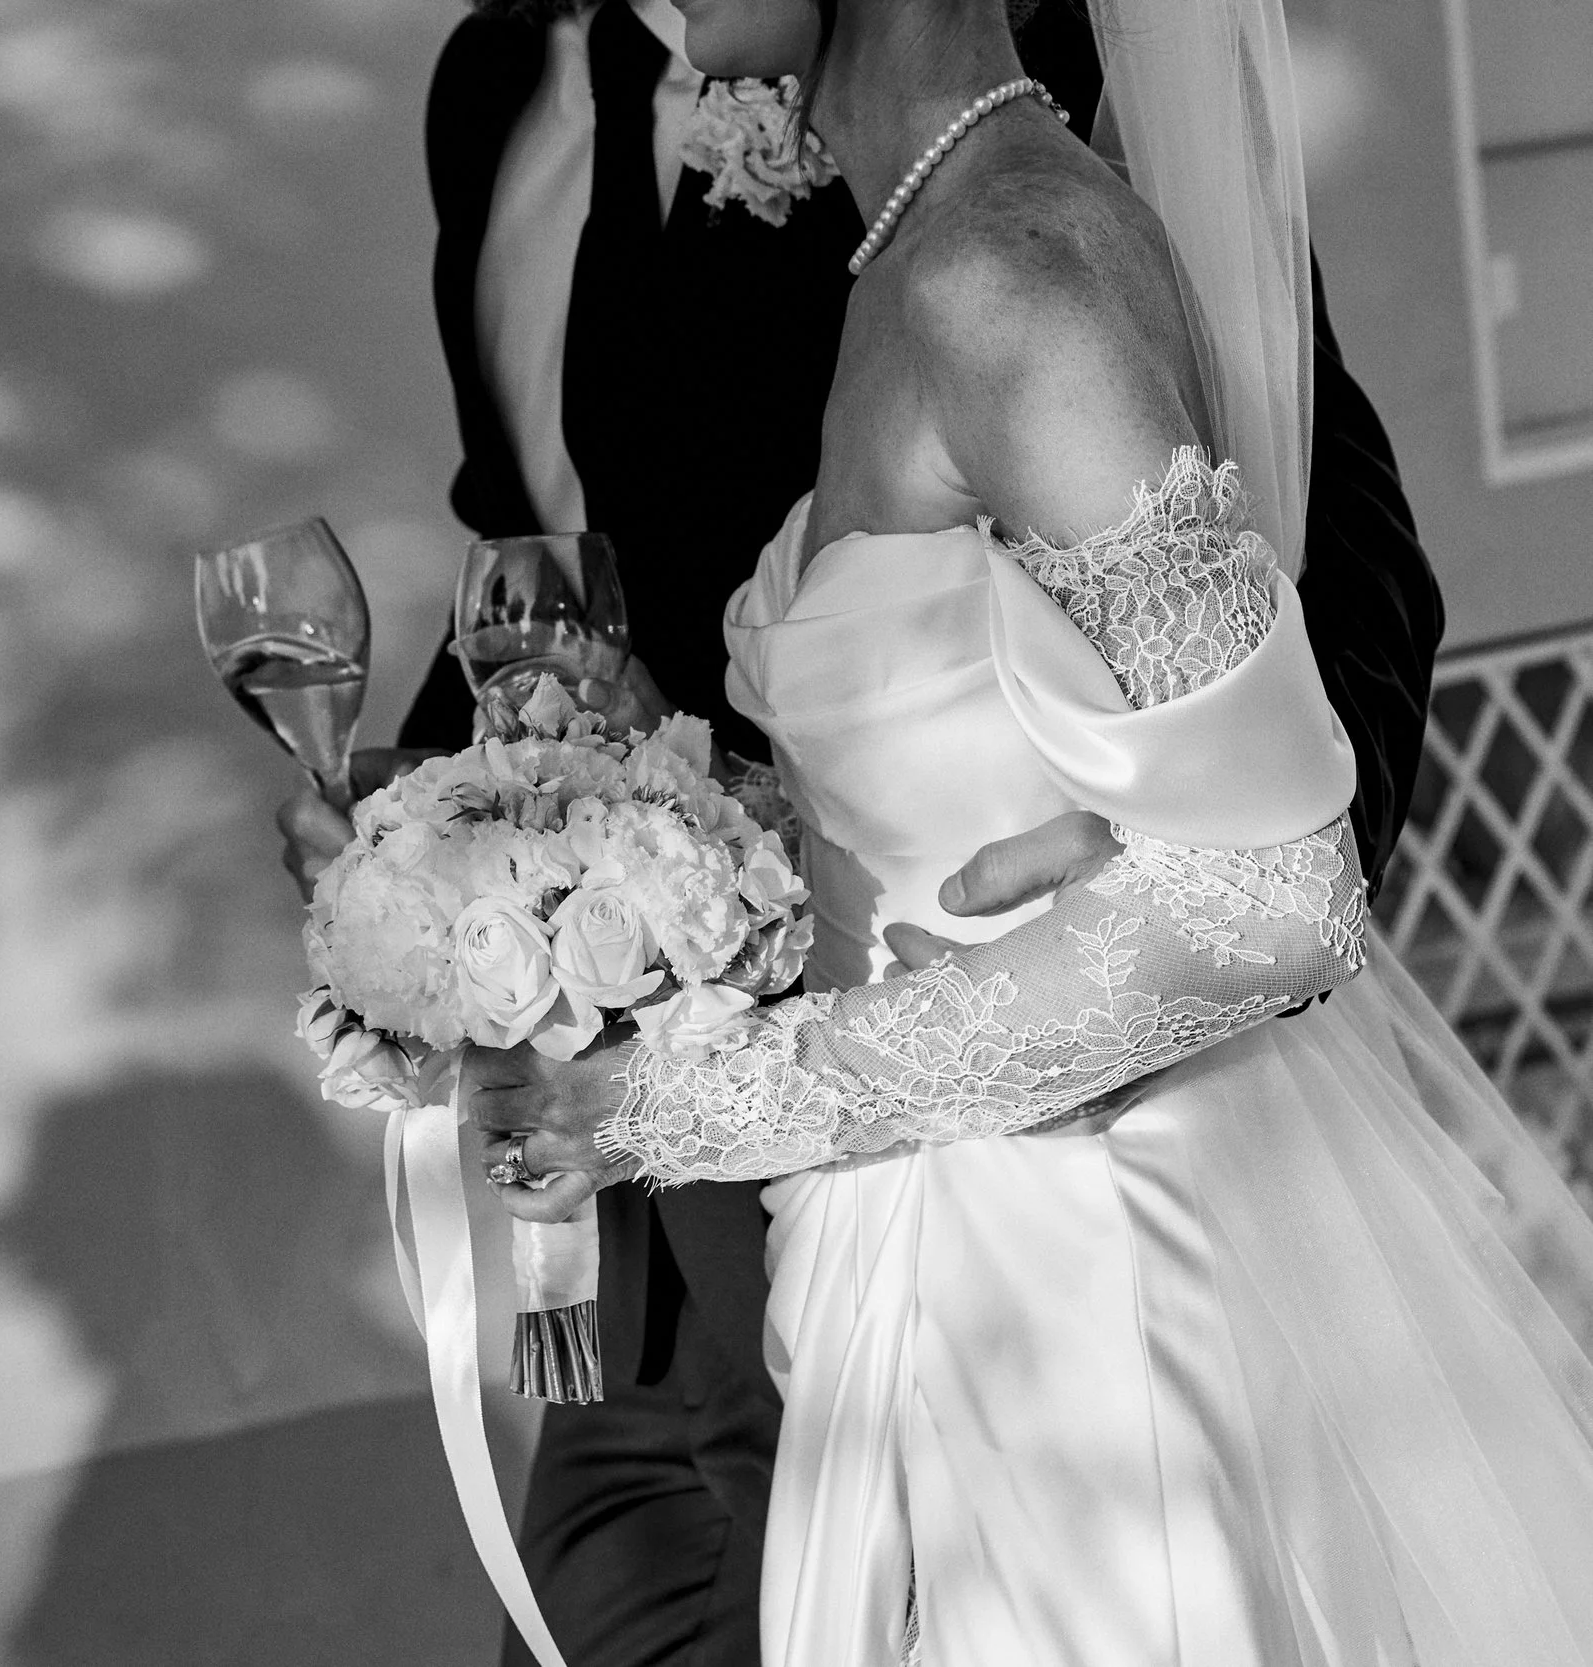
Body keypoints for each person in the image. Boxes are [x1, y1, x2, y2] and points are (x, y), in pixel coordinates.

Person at [277, 1, 1440, 1662]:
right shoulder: (799, 204)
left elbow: (1282, 844)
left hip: (1042, 1230)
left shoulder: (1014, 246)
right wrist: (483, 836)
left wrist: (1178, 875)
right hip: (831, 1213)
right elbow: (621, 593)